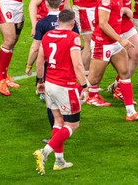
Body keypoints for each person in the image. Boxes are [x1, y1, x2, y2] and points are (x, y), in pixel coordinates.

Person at [86, 0, 138, 121]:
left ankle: (130, 112)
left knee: (125, 73)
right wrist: (121, 39)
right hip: (103, 43)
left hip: (114, 43)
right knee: (93, 80)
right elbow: (102, 23)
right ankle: (64, 95)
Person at [33, 9, 88, 175]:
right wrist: (85, 87)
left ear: (58, 21)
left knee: (58, 121)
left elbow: (40, 62)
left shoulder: (47, 35)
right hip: (66, 86)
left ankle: (59, 161)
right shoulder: (73, 38)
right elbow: (78, 66)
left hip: (49, 84)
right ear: (73, 23)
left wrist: (40, 82)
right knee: (72, 124)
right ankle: (45, 152)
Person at [25, 0, 79, 131]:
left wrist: (29, 65)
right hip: (68, 70)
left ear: (46, 3)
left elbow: (36, 49)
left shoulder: (42, 24)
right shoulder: (68, 21)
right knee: (66, 102)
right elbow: (77, 45)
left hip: (51, 71)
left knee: (52, 105)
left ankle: (57, 133)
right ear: (62, 1)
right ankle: (67, 127)